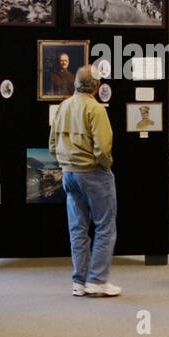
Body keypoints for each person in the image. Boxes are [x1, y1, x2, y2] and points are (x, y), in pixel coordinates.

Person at [49, 65, 120, 297]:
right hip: (93, 173)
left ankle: (79, 281)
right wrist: (105, 164)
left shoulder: (63, 106)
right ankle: (97, 280)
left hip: (69, 175)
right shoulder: (96, 109)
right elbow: (103, 147)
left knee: (77, 229)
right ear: (97, 87)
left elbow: (52, 145)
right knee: (105, 227)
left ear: (75, 84)